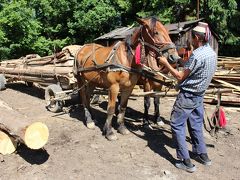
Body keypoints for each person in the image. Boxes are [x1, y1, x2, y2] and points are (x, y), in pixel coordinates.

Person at [158, 22, 217, 173]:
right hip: (199, 96)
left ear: (197, 37)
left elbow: (179, 76)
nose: (190, 39)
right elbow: (194, 68)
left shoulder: (196, 55)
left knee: (177, 124)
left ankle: (185, 161)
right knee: (196, 125)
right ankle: (202, 155)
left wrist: (165, 63)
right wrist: (180, 61)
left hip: (188, 96)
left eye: (191, 37)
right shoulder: (211, 53)